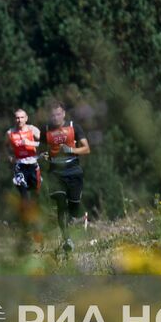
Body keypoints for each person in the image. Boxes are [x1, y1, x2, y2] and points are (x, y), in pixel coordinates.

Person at [44, 102, 90, 252]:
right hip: (55, 172)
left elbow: (86, 149)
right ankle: (67, 239)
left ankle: (76, 218)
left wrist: (71, 149)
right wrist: (45, 155)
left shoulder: (73, 127)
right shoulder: (46, 129)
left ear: (63, 114)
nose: (55, 117)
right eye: (53, 115)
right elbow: (42, 148)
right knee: (60, 203)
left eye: (58, 114)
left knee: (74, 206)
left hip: (73, 170)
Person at [6, 108, 43, 235]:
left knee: (35, 196)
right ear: (14, 119)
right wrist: (10, 157)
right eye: (17, 117)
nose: (19, 120)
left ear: (26, 118)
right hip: (20, 166)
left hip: (33, 165)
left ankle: (36, 224)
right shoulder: (10, 132)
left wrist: (30, 142)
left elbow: (45, 142)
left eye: (22, 117)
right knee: (24, 197)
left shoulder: (33, 130)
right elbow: (6, 147)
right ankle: (26, 228)